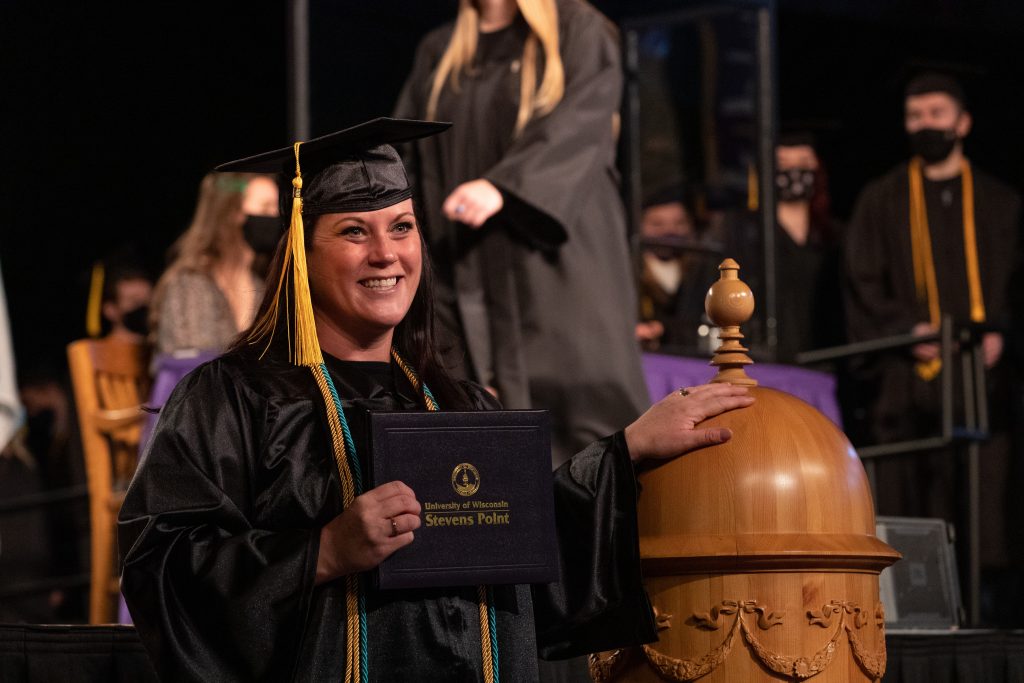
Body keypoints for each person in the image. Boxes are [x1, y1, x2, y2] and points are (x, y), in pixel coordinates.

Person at [117, 118, 754, 682]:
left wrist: (627, 449)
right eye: (352, 232)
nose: (386, 253)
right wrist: (324, 552)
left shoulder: (460, 402)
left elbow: (521, 548)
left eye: (402, 227)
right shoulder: (233, 397)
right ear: (300, 257)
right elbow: (161, 570)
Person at [393, 0, 650, 467]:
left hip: (554, 257)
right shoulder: (442, 48)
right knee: (475, 431)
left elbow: (580, 125)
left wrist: (505, 186)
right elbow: (410, 152)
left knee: (581, 416)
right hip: (463, 265)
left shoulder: (577, 28)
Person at [842, 73, 1021, 622]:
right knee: (914, 501)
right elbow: (862, 281)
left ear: (962, 122)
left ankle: (989, 618)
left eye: (936, 114)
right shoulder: (882, 198)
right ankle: (914, 621)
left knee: (985, 507)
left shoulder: (1002, 202)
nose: (926, 125)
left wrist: (1000, 332)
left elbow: (1016, 282)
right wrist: (906, 329)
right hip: (907, 381)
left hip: (981, 384)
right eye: (915, 115)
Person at [149, 172, 278, 358]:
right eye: (266, 208)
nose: (276, 217)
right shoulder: (190, 284)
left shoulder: (260, 287)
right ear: (231, 213)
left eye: (276, 209)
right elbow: (193, 369)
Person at [772, 132, 842, 363]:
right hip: (769, 363)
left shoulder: (835, 236)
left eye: (803, 163)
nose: (794, 172)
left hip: (826, 360)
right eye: (783, 164)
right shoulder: (747, 235)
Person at [634, 184, 719, 354]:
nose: (669, 231)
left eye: (679, 223)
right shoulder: (631, 274)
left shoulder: (703, 272)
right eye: (657, 224)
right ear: (640, 227)